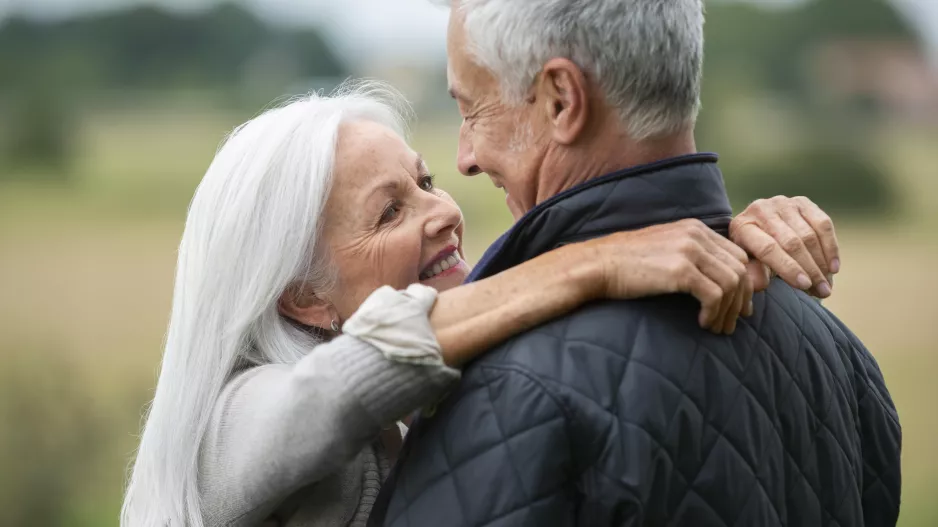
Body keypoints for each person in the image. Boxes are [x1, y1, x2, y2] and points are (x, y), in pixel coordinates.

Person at [118, 80, 843, 527]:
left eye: (425, 182)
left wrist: (729, 238)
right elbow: (344, 379)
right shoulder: (227, 429)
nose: (443, 211)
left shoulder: (444, 368)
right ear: (304, 297)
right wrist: (599, 262)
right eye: (389, 212)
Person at [368, 1, 902, 527]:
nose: (465, 157)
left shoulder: (508, 385)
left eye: (472, 111)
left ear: (561, 101)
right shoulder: (838, 349)